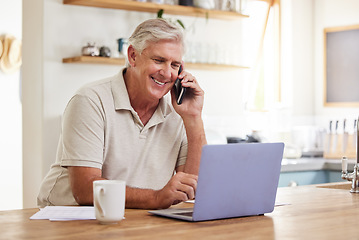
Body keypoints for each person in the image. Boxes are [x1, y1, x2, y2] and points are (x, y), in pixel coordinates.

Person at [37, 18, 207, 209]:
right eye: (159, 60)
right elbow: (84, 190)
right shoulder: (90, 100)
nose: (167, 73)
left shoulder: (179, 113)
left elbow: (193, 187)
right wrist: (156, 198)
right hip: (71, 219)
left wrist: (193, 118)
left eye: (175, 65)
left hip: (136, 218)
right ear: (133, 56)